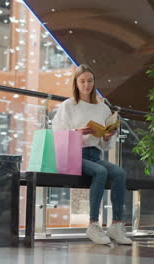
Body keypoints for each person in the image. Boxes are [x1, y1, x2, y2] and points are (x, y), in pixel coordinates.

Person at [52, 64, 132, 245]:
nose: (86, 84)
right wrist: (77, 132)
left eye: (89, 80)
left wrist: (105, 136)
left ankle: (117, 225)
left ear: (94, 82)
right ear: (76, 83)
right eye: (82, 81)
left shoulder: (102, 108)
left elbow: (105, 145)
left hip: (95, 155)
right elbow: (58, 135)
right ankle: (93, 224)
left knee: (119, 173)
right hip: (74, 156)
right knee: (100, 172)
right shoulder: (68, 106)